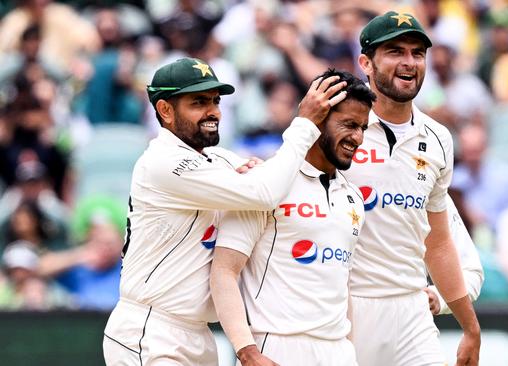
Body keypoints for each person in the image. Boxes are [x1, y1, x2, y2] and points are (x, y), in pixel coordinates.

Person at [102, 57, 347, 365]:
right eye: (198, 102)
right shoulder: (163, 162)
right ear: (165, 110)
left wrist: (257, 171)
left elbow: (268, 176)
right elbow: (265, 192)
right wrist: (305, 124)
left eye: (215, 101)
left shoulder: (216, 159)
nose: (213, 112)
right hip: (150, 328)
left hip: (198, 333)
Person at [211, 69, 375, 366]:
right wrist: (246, 351)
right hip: (277, 348)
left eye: (363, 127)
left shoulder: (352, 197)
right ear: (318, 119)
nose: (358, 138)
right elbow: (224, 271)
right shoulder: (265, 183)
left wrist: (349, 349)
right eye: (350, 125)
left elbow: (342, 284)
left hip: (338, 352)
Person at [344, 11, 481, 366]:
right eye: (395, 51)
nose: (409, 63)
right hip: (345, 309)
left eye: (417, 53)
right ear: (366, 63)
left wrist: (470, 327)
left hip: (411, 310)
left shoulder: (438, 138)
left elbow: (438, 242)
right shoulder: (339, 125)